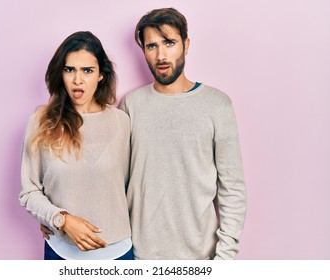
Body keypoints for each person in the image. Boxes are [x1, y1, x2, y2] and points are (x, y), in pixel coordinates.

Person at [119, 8, 247, 260]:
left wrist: (225, 259)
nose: (161, 55)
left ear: (186, 45)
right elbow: (112, 178)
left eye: (169, 43)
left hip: (202, 258)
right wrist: (59, 217)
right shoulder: (131, 105)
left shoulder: (217, 105)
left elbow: (232, 188)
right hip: (140, 258)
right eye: (151, 46)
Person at [19, 31, 133, 260]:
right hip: (61, 253)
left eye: (87, 71)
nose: (77, 80)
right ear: (60, 73)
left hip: (118, 254)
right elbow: (29, 192)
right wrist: (59, 218)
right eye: (69, 70)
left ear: (101, 75)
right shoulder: (42, 122)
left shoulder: (121, 122)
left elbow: (131, 187)